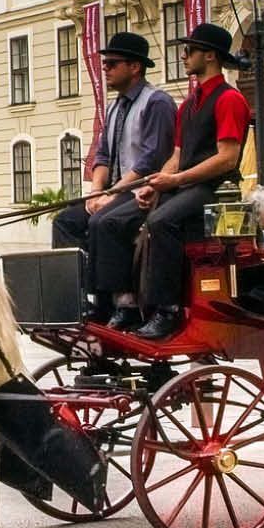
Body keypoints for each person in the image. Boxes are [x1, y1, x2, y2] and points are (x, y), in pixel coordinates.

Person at [130, 23, 253, 341]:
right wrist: (155, 183)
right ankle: (133, 304)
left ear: (210, 56)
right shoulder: (188, 104)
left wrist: (176, 179)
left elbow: (227, 158)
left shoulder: (229, 100)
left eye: (189, 51)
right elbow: (177, 155)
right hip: (188, 185)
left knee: (162, 221)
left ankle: (168, 309)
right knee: (136, 220)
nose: (183, 56)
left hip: (216, 189)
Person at [50, 31, 177, 331]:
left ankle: (125, 303)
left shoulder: (156, 102)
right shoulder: (114, 106)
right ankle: (85, 296)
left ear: (135, 67)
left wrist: (113, 194)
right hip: (116, 191)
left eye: (112, 63)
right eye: (105, 63)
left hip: (146, 191)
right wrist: (95, 193)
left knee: (104, 223)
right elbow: (103, 155)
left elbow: (151, 159)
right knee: (66, 221)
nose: (105, 68)